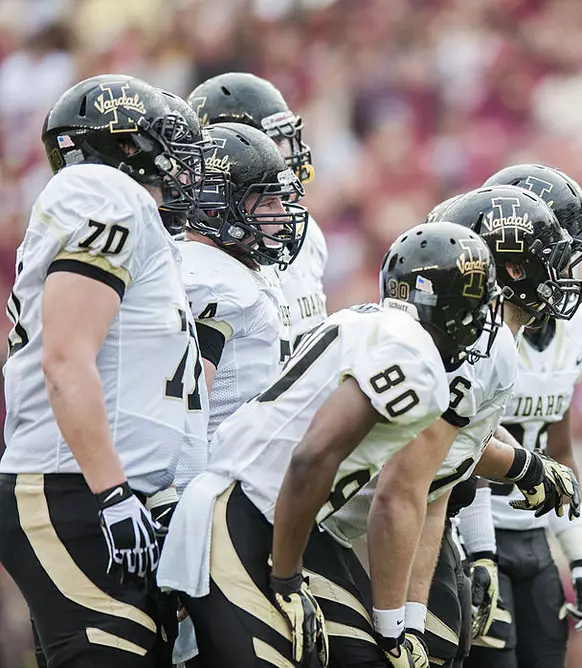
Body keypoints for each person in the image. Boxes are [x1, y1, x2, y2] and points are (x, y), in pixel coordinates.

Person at [158, 221, 501, 667]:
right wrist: (286, 577)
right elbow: (313, 456)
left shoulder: (367, 319)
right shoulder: (414, 355)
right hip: (244, 514)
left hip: (255, 511)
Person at [314, 185, 582, 668]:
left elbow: (442, 473)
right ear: (511, 267)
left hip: (380, 518)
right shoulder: (471, 343)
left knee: (437, 647)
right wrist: (396, 627)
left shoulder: (487, 340)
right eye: (552, 261)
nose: (564, 277)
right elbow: (414, 476)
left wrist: (411, 622)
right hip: (323, 521)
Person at [0, 74, 209, 667]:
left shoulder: (135, 220)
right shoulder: (103, 191)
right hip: (76, 489)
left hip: (101, 489)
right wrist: (113, 493)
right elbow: (66, 359)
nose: (182, 167)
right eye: (166, 144)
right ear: (125, 147)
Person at [464, 164, 582, 668]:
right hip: (467, 527)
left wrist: (581, 556)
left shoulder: (581, 330)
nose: (570, 271)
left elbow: (558, 452)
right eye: (560, 256)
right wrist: (479, 550)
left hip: (532, 531)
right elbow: (465, 445)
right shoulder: (472, 332)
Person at [172, 121, 304, 488]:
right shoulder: (207, 278)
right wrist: (178, 501)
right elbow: (185, 405)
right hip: (216, 488)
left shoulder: (244, 268)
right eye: (268, 201)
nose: (282, 215)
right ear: (216, 207)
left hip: (250, 484)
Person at [188, 72, 328, 347]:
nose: (288, 150)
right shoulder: (206, 254)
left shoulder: (305, 231)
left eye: (287, 137)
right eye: (275, 141)